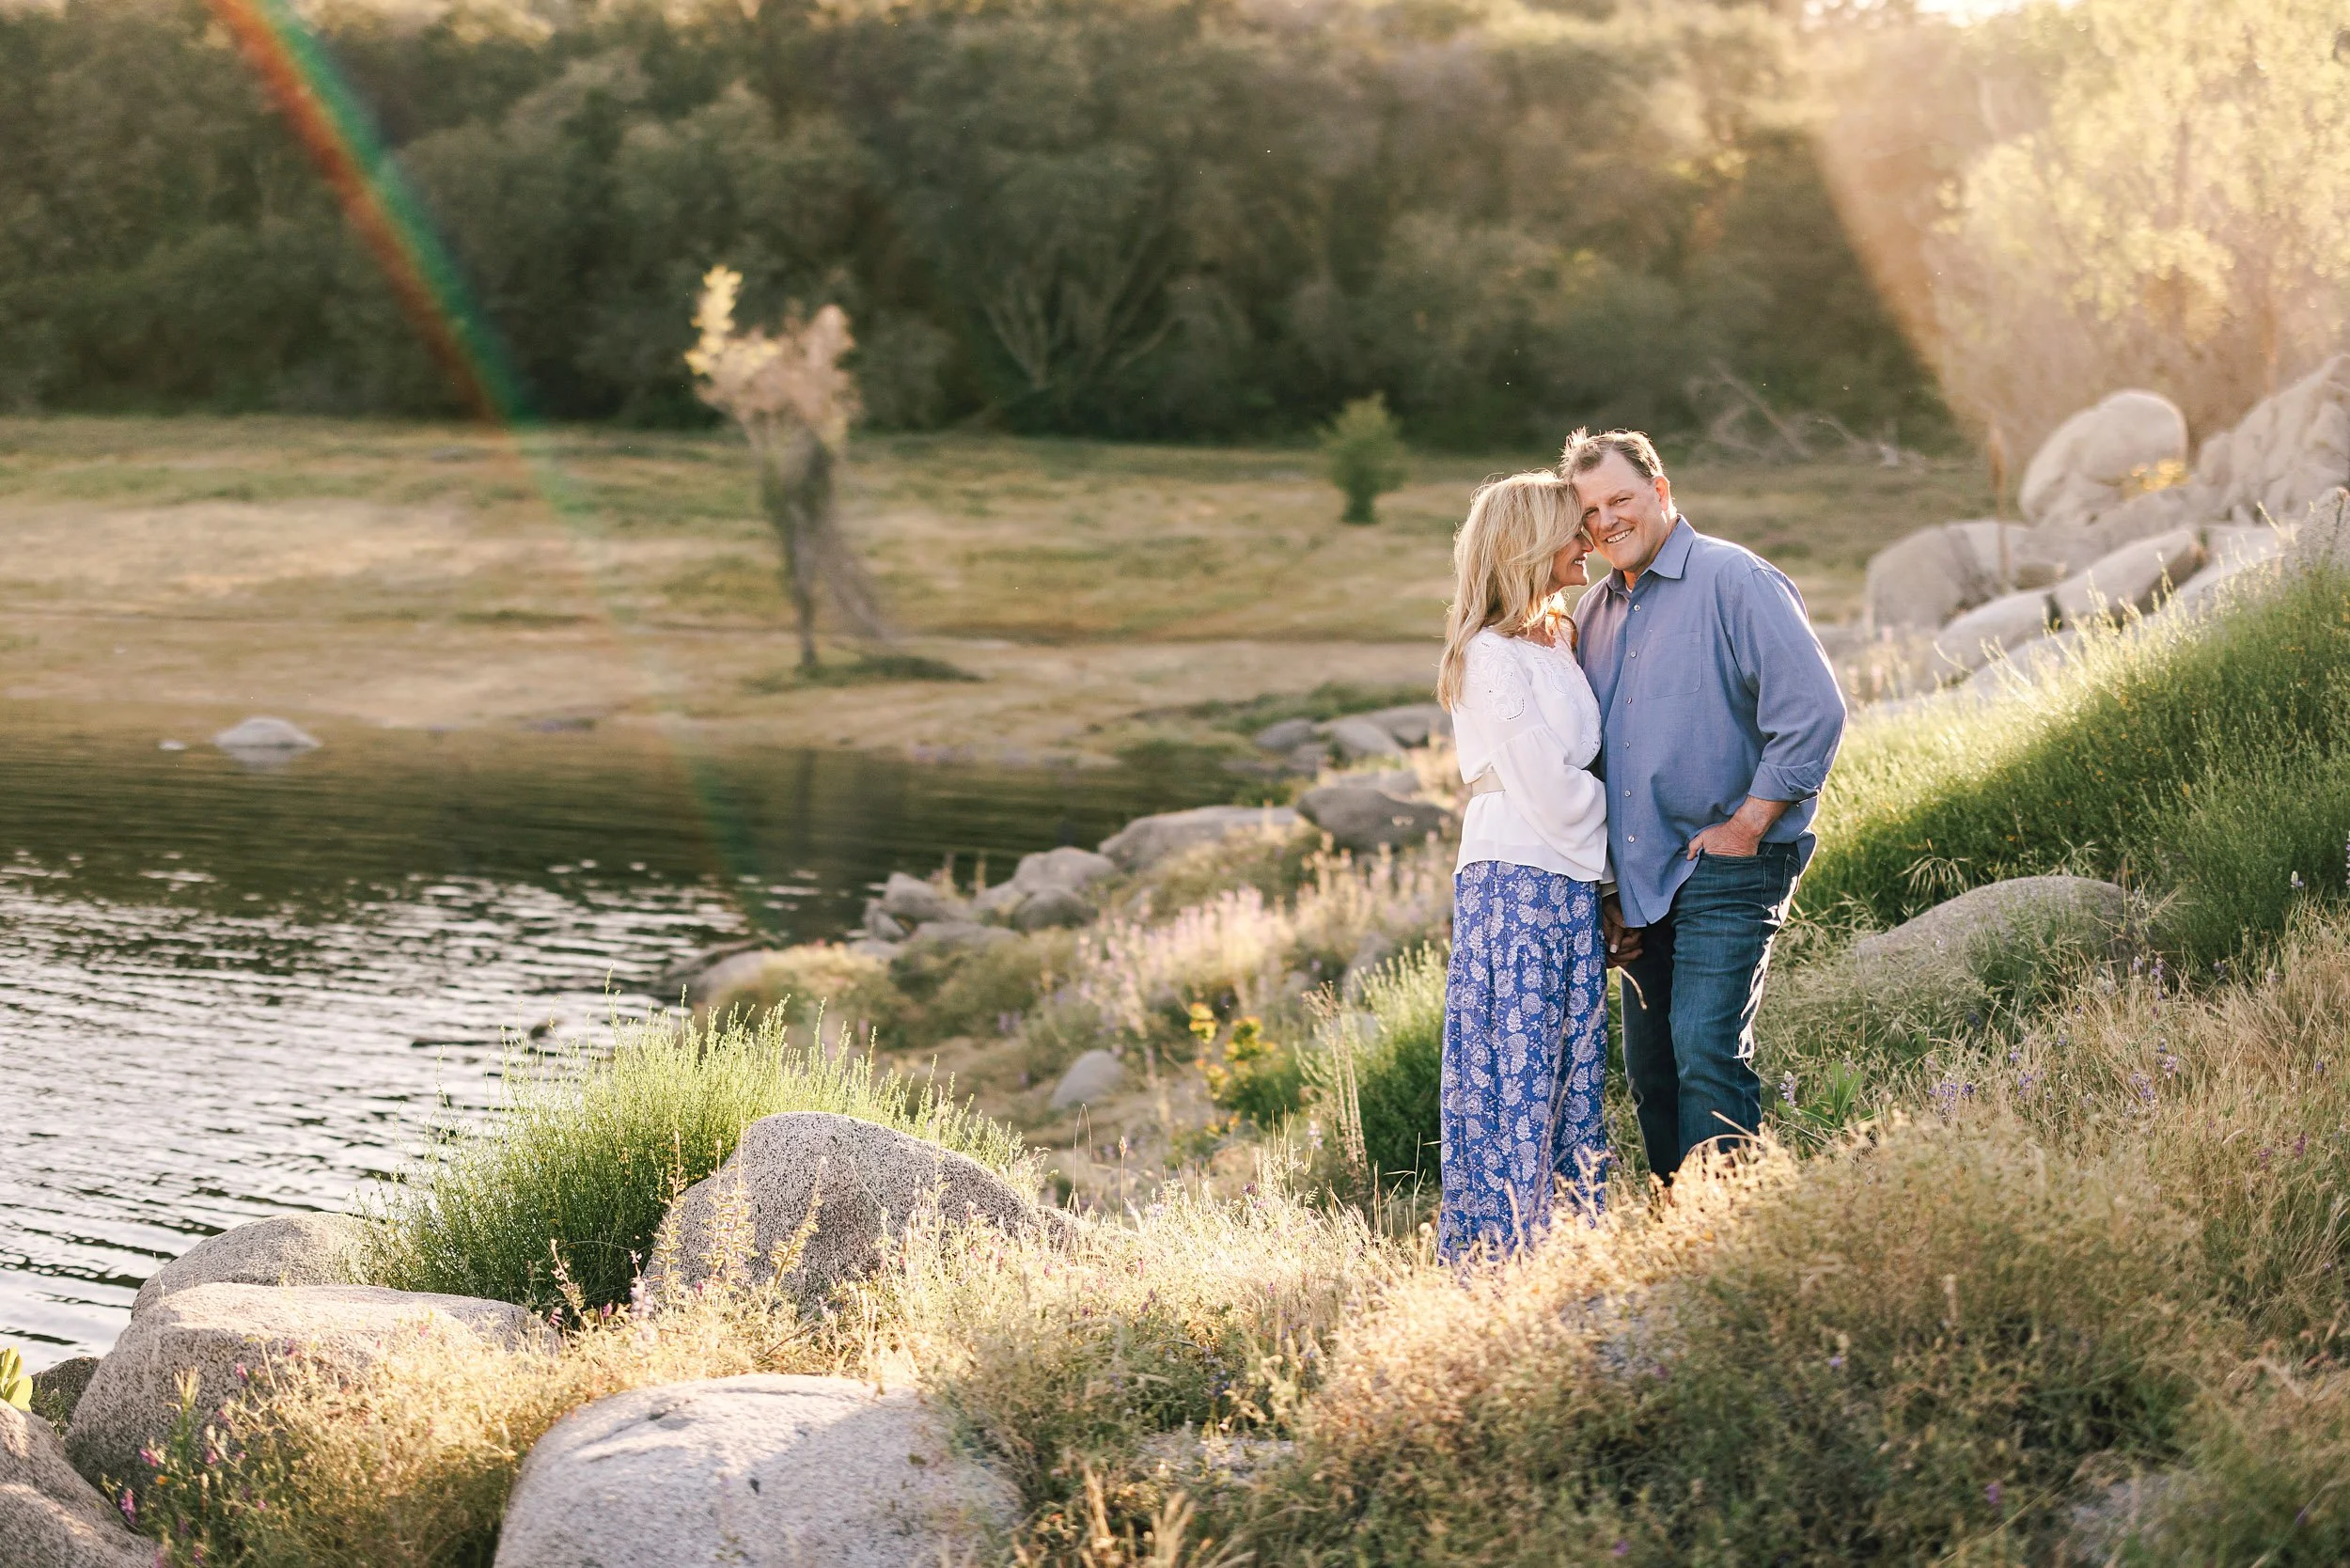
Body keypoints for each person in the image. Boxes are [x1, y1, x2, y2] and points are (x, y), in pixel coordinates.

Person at [1563, 429, 1845, 1186]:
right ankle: (1677, 1229)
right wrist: (1610, 888)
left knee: (1706, 1052)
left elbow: (1813, 710)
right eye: (1588, 512)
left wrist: (1749, 823)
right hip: (1641, 880)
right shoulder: (1593, 612)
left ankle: (1727, 1234)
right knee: (1652, 1072)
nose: (1606, 522)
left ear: (1659, 490)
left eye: (1619, 499)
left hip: (1729, 862)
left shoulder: (1733, 578)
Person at [1434, 470, 1613, 1261]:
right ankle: (1504, 1261)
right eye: (1574, 529)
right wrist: (1638, 839)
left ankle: (1566, 1250)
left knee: (1572, 1073)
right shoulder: (1487, 654)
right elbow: (1543, 782)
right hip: (1515, 880)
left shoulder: (1558, 638)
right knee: (1519, 1075)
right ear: (1530, 543)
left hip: (1566, 879)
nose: (1589, 540)